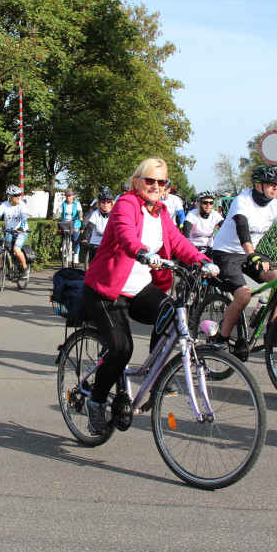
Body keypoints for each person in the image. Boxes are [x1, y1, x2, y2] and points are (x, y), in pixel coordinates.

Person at [82, 157, 219, 435]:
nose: (156, 186)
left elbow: (179, 241)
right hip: (106, 290)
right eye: (150, 180)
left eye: (162, 182)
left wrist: (201, 260)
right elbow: (124, 234)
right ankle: (95, 403)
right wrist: (142, 252)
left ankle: (152, 374)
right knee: (121, 349)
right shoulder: (126, 203)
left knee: (171, 314)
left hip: (138, 288)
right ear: (137, 181)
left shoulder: (161, 211)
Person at [208, 165, 277, 349]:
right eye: (270, 184)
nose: (275, 187)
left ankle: (272, 327)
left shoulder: (275, 205)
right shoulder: (243, 201)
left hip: (249, 254)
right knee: (243, 296)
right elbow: (242, 229)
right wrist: (252, 254)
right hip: (226, 252)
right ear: (258, 185)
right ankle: (221, 340)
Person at [0, 185, 31, 277]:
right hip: (9, 231)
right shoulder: (4, 205)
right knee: (1, 247)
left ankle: (24, 268)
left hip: (21, 231)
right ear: (10, 196)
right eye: (16, 195)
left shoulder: (22, 204)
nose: (18, 197)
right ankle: (2, 268)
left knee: (16, 249)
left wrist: (21, 227)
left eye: (19, 195)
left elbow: (24, 217)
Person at [182, 190, 223, 256]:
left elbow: (224, 226)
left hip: (208, 248)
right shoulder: (192, 214)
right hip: (193, 247)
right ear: (200, 203)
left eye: (211, 203)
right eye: (205, 203)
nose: (208, 205)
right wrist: (187, 241)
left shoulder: (215, 214)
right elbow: (187, 227)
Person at [80, 187, 114, 265]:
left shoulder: (114, 214)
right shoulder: (96, 213)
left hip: (109, 246)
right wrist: (85, 239)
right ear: (99, 203)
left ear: (111, 203)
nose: (105, 204)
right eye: (103, 201)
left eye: (108, 201)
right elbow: (89, 228)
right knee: (93, 269)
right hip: (96, 245)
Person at [54, 188, 83, 260]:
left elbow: (80, 211)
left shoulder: (77, 203)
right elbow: (59, 212)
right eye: (67, 196)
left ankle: (76, 256)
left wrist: (80, 217)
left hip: (75, 223)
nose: (68, 197)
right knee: (62, 233)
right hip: (65, 223)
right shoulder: (63, 204)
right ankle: (64, 244)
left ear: (73, 196)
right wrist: (56, 217)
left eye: (69, 196)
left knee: (76, 238)